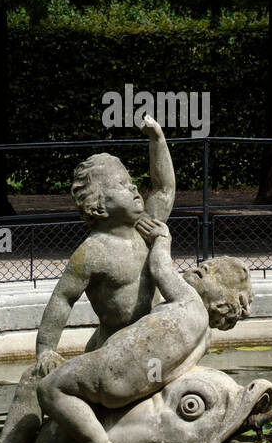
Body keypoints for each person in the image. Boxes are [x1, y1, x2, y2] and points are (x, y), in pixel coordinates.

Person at [36, 216, 251, 443]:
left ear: (220, 305)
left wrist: (163, 240)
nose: (200, 268)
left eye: (212, 274)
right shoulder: (204, 338)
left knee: (51, 387)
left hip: (112, 370)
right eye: (203, 265)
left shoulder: (189, 301)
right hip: (136, 386)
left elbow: (161, 270)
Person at [32, 113, 176, 370]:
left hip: (151, 343)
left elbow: (164, 189)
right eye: (122, 184)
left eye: (131, 181)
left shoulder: (145, 228)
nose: (134, 188)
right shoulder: (93, 252)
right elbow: (63, 299)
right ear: (98, 207)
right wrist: (46, 351)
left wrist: (157, 139)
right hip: (113, 350)